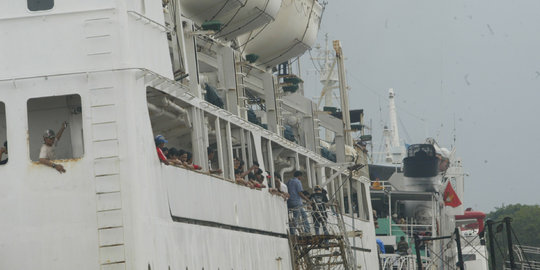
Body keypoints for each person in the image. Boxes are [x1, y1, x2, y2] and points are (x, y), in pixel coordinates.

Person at [287, 171, 310, 235]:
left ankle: (306, 230)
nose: (301, 178)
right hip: (297, 202)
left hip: (289, 202)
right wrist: (308, 200)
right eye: (301, 176)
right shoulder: (298, 182)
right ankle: (294, 232)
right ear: (299, 176)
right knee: (297, 218)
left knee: (301, 215)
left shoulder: (289, 181)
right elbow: (300, 193)